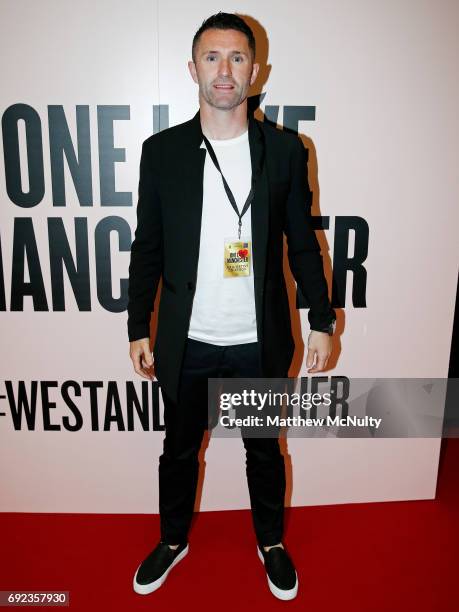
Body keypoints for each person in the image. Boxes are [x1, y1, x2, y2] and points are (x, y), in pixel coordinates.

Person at [127, 11, 336, 601]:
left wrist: (322, 319)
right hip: (186, 340)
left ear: (255, 69)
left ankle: (270, 542)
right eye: (213, 58)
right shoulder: (162, 153)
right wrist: (136, 323)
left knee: (264, 449)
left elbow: (302, 241)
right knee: (178, 450)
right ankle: (173, 540)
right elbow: (148, 246)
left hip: (257, 340)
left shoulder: (286, 151)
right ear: (192, 69)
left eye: (237, 57)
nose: (225, 70)